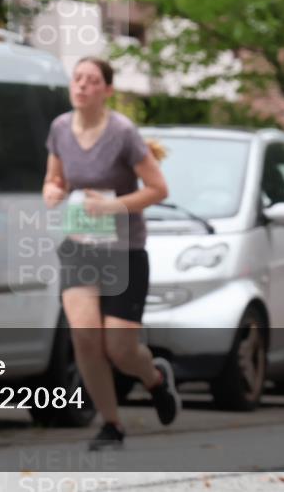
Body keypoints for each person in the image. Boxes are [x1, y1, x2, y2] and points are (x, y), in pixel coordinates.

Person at [42, 56, 178, 450]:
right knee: (85, 337)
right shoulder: (60, 129)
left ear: (107, 90)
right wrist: (52, 192)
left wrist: (113, 207)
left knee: (119, 349)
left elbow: (158, 189)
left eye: (92, 80)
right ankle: (112, 424)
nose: (82, 85)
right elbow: (54, 179)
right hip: (80, 247)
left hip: (124, 250)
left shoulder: (122, 133)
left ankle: (154, 379)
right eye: (77, 79)